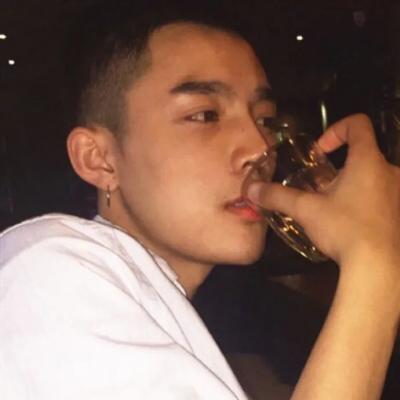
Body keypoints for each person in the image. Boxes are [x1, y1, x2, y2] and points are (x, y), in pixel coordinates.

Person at [1, 10, 400, 400]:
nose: (260, 148)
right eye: (205, 115)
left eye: (264, 119)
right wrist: (375, 261)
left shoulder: (160, 311)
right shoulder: (45, 272)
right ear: (99, 159)